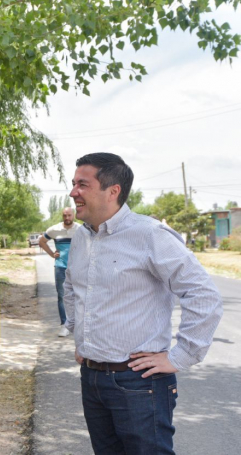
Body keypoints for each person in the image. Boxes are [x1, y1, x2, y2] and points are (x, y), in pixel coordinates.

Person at [63, 152, 223, 455]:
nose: (73, 193)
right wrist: (79, 335)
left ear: (113, 191)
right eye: (73, 184)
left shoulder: (149, 234)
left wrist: (181, 355)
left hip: (139, 383)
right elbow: (72, 286)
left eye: (82, 185)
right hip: (92, 378)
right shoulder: (82, 238)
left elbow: (204, 294)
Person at [38, 207, 80, 337]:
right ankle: (64, 325)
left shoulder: (81, 229)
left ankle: (78, 325)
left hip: (78, 268)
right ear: (62, 216)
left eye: (69, 215)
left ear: (73, 215)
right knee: (62, 296)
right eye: (64, 215)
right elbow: (41, 241)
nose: (67, 218)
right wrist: (51, 254)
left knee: (79, 296)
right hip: (60, 267)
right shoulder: (54, 230)